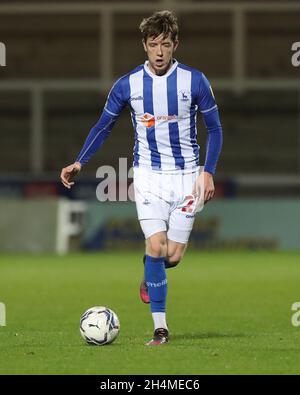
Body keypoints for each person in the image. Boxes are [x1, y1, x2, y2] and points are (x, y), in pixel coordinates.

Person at [60, 10, 223, 346]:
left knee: (172, 256)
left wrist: (208, 172)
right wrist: (79, 162)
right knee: (156, 244)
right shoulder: (127, 85)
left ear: (175, 44)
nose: (160, 51)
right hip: (148, 176)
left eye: (165, 44)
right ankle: (160, 329)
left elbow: (215, 129)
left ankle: (150, 270)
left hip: (187, 177)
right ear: (144, 46)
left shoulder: (195, 81)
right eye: (153, 45)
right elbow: (103, 126)